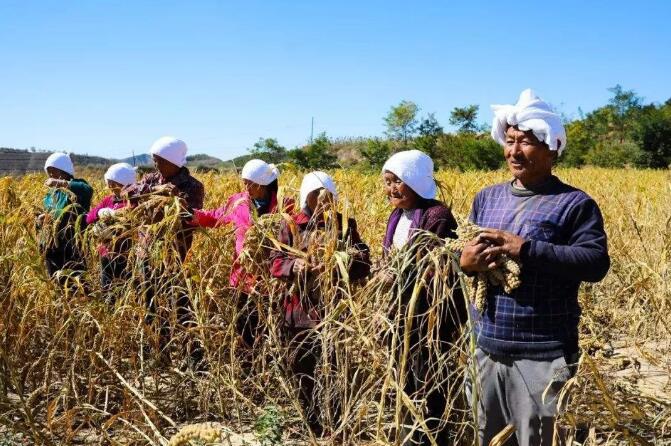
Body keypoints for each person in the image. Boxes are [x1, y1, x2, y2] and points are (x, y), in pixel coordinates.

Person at [461, 89, 610, 446]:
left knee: (538, 440)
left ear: (552, 148)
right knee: (487, 437)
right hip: (486, 348)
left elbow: (594, 263)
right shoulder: (487, 197)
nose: (514, 151)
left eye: (526, 142)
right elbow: (461, 250)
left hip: (541, 355)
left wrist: (524, 248)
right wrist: (464, 263)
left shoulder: (575, 204)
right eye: (510, 141)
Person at [269, 171, 371, 436]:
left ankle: (336, 424)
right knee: (303, 369)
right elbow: (275, 262)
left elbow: (363, 262)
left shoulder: (344, 224)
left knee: (333, 369)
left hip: (332, 312)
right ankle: (311, 424)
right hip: (298, 312)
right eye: (317, 196)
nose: (323, 202)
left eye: (328, 197)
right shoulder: (291, 225)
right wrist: (294, 265)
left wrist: (339, 263)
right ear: (307, 196)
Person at [379, 150, 466, 445]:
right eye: (388, 182)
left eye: (398, 182)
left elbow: (433, 265)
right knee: (403, 376)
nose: (391, 189)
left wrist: (397, 275)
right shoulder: (396, 215)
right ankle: (411, 433)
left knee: (430, 378)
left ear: (415, 181)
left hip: (430, 315)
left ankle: (434, 434)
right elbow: (389, 254)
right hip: (400, 310)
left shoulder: (436, 215)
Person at [190, 159, 294, 349]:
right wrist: (193, 215)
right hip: (242, 278)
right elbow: (216, 216)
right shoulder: (239, 202)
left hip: (272, 280)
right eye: (244, 182)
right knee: (245, 328)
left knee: (273, 328)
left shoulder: (284, 205)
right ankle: (248, 364)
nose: (246, 187)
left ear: (263, 184)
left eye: (250, 183)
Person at [122, 136, 205, 367]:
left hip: (175, 255)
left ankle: (193, 357)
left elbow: (190, 217)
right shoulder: (151, 179)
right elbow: (128, 192)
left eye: (159, 160)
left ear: (173, 160)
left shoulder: (193, 186)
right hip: (147, 251)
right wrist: (157, 190)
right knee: (150, 304)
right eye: (154, 160)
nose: (156, 164)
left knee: (181, 305)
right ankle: (158, 352)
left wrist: (174, 198)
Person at [37, 152, 93, 286]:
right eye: (48, 172)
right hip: (53, 244)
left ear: (64, 171)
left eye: (53, 172)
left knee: (75, 279)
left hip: (71, 244)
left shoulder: (77, 186)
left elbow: (87, 190)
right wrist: (42, 218)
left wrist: (61, 183)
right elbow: (49, 211)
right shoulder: (52, 194)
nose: (50, 176)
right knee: (56, 279)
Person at [86, 163, 136, 303]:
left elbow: (131, 220)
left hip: (124, 254)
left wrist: (115, 215)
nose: (108, 186)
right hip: (106, 253)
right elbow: (89, 217)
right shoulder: (109, 200)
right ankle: (109, 311)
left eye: (111, 183)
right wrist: (103, 213)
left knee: (123, 287)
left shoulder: (134, 201)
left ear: (118, 183)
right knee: (106, 287)